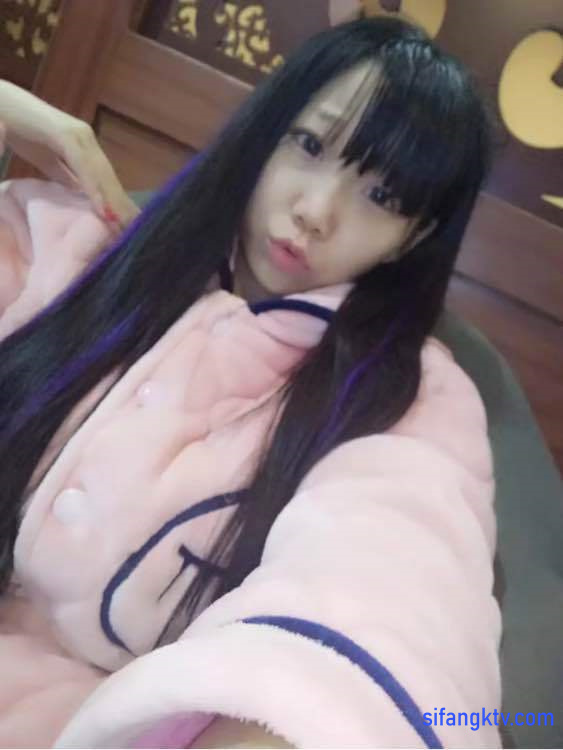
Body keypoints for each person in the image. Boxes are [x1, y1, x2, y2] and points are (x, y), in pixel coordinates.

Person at [0, 16, 500, 749]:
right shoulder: (74, 245)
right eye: (309, 145)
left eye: (384, 196)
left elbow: (393, 589)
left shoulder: (408, 399)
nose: (316, 212)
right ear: (267, 128)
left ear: (415, 236)